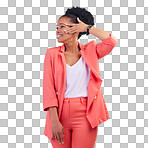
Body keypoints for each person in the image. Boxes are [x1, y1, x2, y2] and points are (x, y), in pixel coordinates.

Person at [43, 6, 118, 148]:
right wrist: (54, 121)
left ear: (75, 28)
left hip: (86, 113)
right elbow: (49, 89)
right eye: (57, 27)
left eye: (62, 26)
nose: (57, 31)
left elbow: (111, 41)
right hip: (60, 112)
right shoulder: (52, 54)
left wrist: (87, 28)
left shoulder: (91, 51)